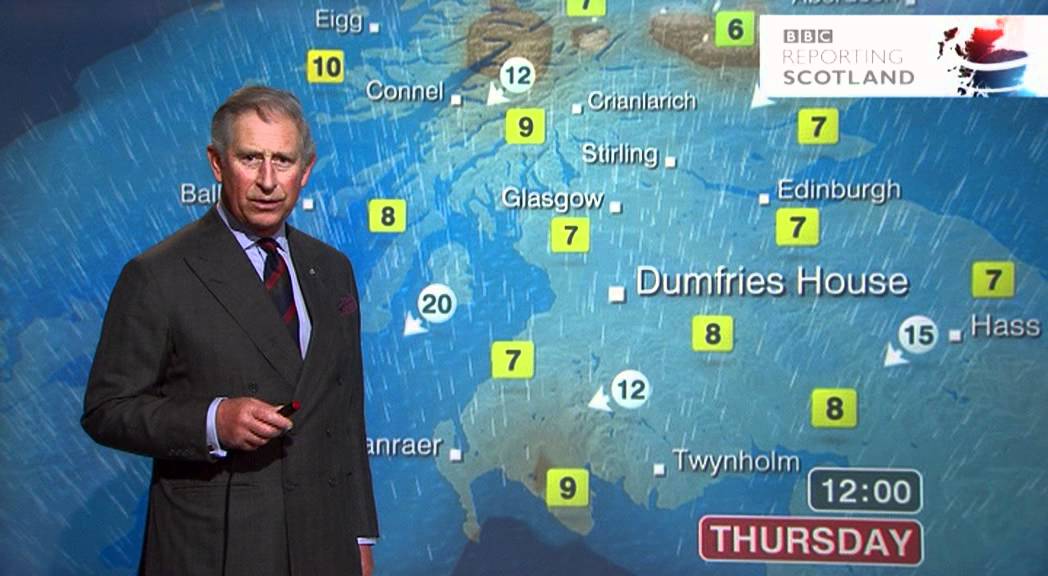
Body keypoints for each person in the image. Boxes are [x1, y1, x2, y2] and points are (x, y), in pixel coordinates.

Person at [81, 86, 379, 576]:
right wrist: (212, 422)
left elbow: (343, 416)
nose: (268, 181)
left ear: (305, 170)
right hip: (217, 550)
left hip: (323, 548)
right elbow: (107, 409)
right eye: (250, 158)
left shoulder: (332, 270)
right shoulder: (159, 274)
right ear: (217, 164)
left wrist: (360, 539)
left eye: (283, 161)